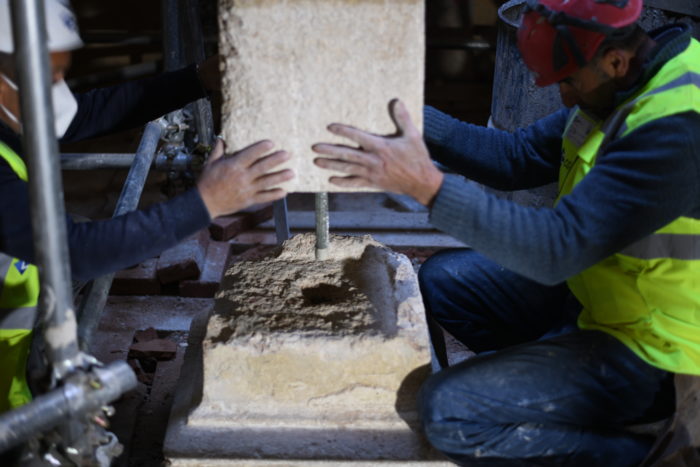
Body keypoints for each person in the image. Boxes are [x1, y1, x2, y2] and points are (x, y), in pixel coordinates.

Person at [312, 0, 700, 464]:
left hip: (660, 351)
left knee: (449, 410)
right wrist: (396, 112)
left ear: (615, 60)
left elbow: (555, 249)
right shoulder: (628, 81)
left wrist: (424, 184)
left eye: (569, 82)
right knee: (444, 281)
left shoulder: (676, 129)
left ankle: (643, 454)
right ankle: (545, 393)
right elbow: (515, 156)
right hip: (604, 298)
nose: (565, 98)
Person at [0, 0, 294, 414]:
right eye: (48, 73)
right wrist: (206, 202)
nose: (58, 85)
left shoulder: (7, 110)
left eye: (61, 70)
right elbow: (72, 252)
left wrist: (196, 79)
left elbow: (83, 114)